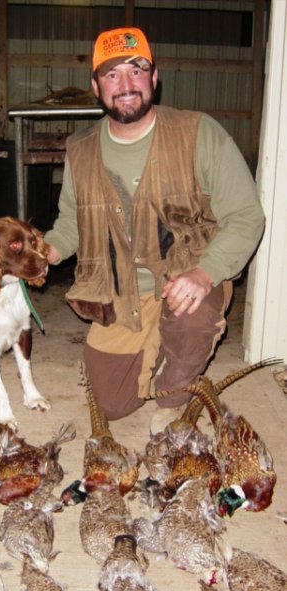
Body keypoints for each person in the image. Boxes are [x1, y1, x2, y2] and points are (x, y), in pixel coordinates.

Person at [44, 26, 265, 434]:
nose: (125, 85)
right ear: (96, 86)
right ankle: (156, 339)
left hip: (185, 277)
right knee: (109, 404)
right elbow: (71, 223)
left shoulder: (198, 133)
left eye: (136, 70)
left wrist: (205, 273)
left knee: (191, 315)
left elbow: (247, 216)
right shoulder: (81, 150)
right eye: (112, 75)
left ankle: (176, 392)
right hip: (122, 291)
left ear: (154, 78)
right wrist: (45, 253)